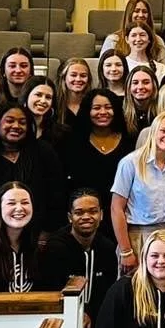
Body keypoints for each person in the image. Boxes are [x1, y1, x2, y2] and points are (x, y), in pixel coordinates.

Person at [0, 104, 68, 232]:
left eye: (22, 122)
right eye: (10, 121)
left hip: (37, 234)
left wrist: (47, 233)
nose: (16, 126)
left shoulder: (44, 152)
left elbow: (57, 195)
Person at [111, 113, 165, 273]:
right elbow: (116, 209)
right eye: (163, 131)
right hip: (138, 235)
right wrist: (126, 251)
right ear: (153, 132)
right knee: (136, 290)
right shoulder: (130, 163)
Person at [38, 189, 118, 328]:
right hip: (60, 320)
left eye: (93, 211)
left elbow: (108, 291)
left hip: (98, 319)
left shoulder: (108, 248)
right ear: (70, 217)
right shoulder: (55, 248)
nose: (86, 217)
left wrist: (90, 313)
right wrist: (78, 313)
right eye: (79, 212)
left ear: (101, 215)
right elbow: (51, 289)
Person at [59, 89, 127, 244]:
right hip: (82, 222)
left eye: (108, 107)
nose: (103, 112)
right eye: (96, 108)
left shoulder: (129, 142)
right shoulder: (71, 142)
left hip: (120, 222)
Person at [101, 0, 165, 61]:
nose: (141, 15)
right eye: (136, 11)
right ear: (129, 14)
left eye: (144, 12)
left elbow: (164, 68)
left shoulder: (158, 41)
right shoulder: (113, 40)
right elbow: (103, 67)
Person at [55, 57, 94, 135]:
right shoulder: (54, 105)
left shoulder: (93, 104)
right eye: (73, 75)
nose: (78, 79)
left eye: (83, 76)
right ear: (64, 78)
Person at [121, 65, 159, 140]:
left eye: (146, 82)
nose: (140, 87)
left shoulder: (162, 110)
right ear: (129, 87)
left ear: (154, 85)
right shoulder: (120, 111)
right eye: (135, 83)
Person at [21, 75, 59, 146]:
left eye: (48, 97)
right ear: (26, 95)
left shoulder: (60, 133)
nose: (43, 101)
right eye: (38, 95)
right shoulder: (14, 128)